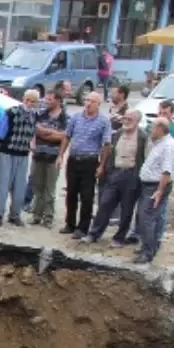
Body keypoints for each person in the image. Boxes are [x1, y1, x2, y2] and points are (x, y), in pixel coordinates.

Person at [58, 90, 112, 240]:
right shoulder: (76, 118)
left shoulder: (103, 121)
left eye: (91, 101)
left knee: (87, 196)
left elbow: (106, 144)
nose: (88, 103)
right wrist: (61, 155)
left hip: (90, 161)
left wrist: (101, 165)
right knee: (71, 193)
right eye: (87, 100)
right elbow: (67, 136)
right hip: (74, 159)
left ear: (98, 104)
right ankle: (70, 223)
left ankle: (83, 227)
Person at [88, 109, 146, 245]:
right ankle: (94, 233)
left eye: (129, 119)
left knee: (126, 209)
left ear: (137, 121)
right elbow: (108, 152)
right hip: (115, 173)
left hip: (131, 175)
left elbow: (144, 157)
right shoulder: (118, 134)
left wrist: (139, 177)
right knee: (105, 203)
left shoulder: (142, 137)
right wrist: (105, 168)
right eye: (124, 118)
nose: (126, 122)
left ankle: (119, 238)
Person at [133, 118, 174, 265]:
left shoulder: (168, 145)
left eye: (152, 127)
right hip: (149, 185)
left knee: (147, 218)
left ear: (160, 128)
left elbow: (166, 170)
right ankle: (147, 247)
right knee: (145, 217)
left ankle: (148, 252)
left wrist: (159, 191)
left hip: (155, 186)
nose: (150, 130)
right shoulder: (160, 143)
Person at [0, 88, 39, 226]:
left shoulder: (34, 116)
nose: (29, 103)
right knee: (3, 185)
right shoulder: (11, 112)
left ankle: (15, 215)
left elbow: (33, 134)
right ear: (23, 100)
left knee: (20, 187)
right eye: (27, 100)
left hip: (23, 154)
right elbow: (0, 133)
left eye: (33, 101)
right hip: (7, 153)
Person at [30, 87, 67, 228]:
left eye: (50, 99)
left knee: (49, 189)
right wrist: (53, 133)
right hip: (38, 155)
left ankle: (48, 217)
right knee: (37, 187)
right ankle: (36, 215)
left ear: (58, 101)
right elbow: (37, 131)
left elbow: (64, 136)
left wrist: (60, 155)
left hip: (53, 156)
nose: (46, 101)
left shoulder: (64, 117)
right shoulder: (41, 114)